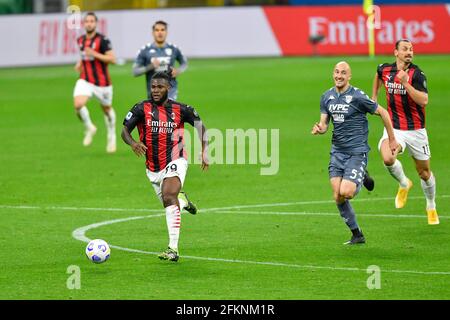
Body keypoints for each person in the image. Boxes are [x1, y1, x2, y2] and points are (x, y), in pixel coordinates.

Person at [121, 72, 208, 262]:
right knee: (171, 202)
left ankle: (173, 249)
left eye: (160, 87)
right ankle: (183, 201)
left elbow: (201, 127)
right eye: (153, 87)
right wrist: (133, 143)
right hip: (153, 168)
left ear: (168, 88)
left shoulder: (182, 109)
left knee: (169, 196)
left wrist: (205, 151)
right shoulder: (140, 108)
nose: (155, 91)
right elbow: (125, 131)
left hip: (176, 159)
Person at [312, 61, 399, 245]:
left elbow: (383, 112)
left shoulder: (358, 97)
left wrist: (392, 139)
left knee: (347, 192)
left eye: (343, 73)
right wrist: (320, 128)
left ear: (349, 76)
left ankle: (361, 176)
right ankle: (357, 234)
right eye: (336, 72)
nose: (339, 76)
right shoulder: (327, 97)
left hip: (356, 152)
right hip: (337, 153)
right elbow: (325, 124)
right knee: (337, 196)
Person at [372, 39, 439, 225]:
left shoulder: (417, 74)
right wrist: (374, 97)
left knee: (424, 173)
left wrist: (406, 84)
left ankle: (431, 205)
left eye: (411, 49)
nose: (409, 52)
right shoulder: (386, 70)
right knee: (387, 158)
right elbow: (378, 74)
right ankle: (403, 183)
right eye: (405, 49)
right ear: (396, 52)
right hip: (394, 128)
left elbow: (423, 101)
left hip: (416, 131)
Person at [73, 12, 117, 153]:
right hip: (85, 80)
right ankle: (90, 127)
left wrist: (95, 54)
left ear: (96, 23)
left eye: (92, 21)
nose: (89, 23)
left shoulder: (103, 40)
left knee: (107, 110)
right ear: (84, 24)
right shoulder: (80, 40)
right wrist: (80, 63)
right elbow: (84, 55)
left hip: (103, 84)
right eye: (87, 21)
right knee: (78, 104)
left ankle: (111, 134)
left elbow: (113, 59)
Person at [132, 20, 188, 100]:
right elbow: (135, 72)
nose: (160, 33)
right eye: (157, 30)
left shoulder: (174, 48)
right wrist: (150, 66)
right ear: (152, 33)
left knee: (167, 110)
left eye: (162, 30)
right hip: (153, 92)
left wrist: (178, 71)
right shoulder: (145, 50)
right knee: (156, 112)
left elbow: (184, 63)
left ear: (166, 32)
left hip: (170, 90)